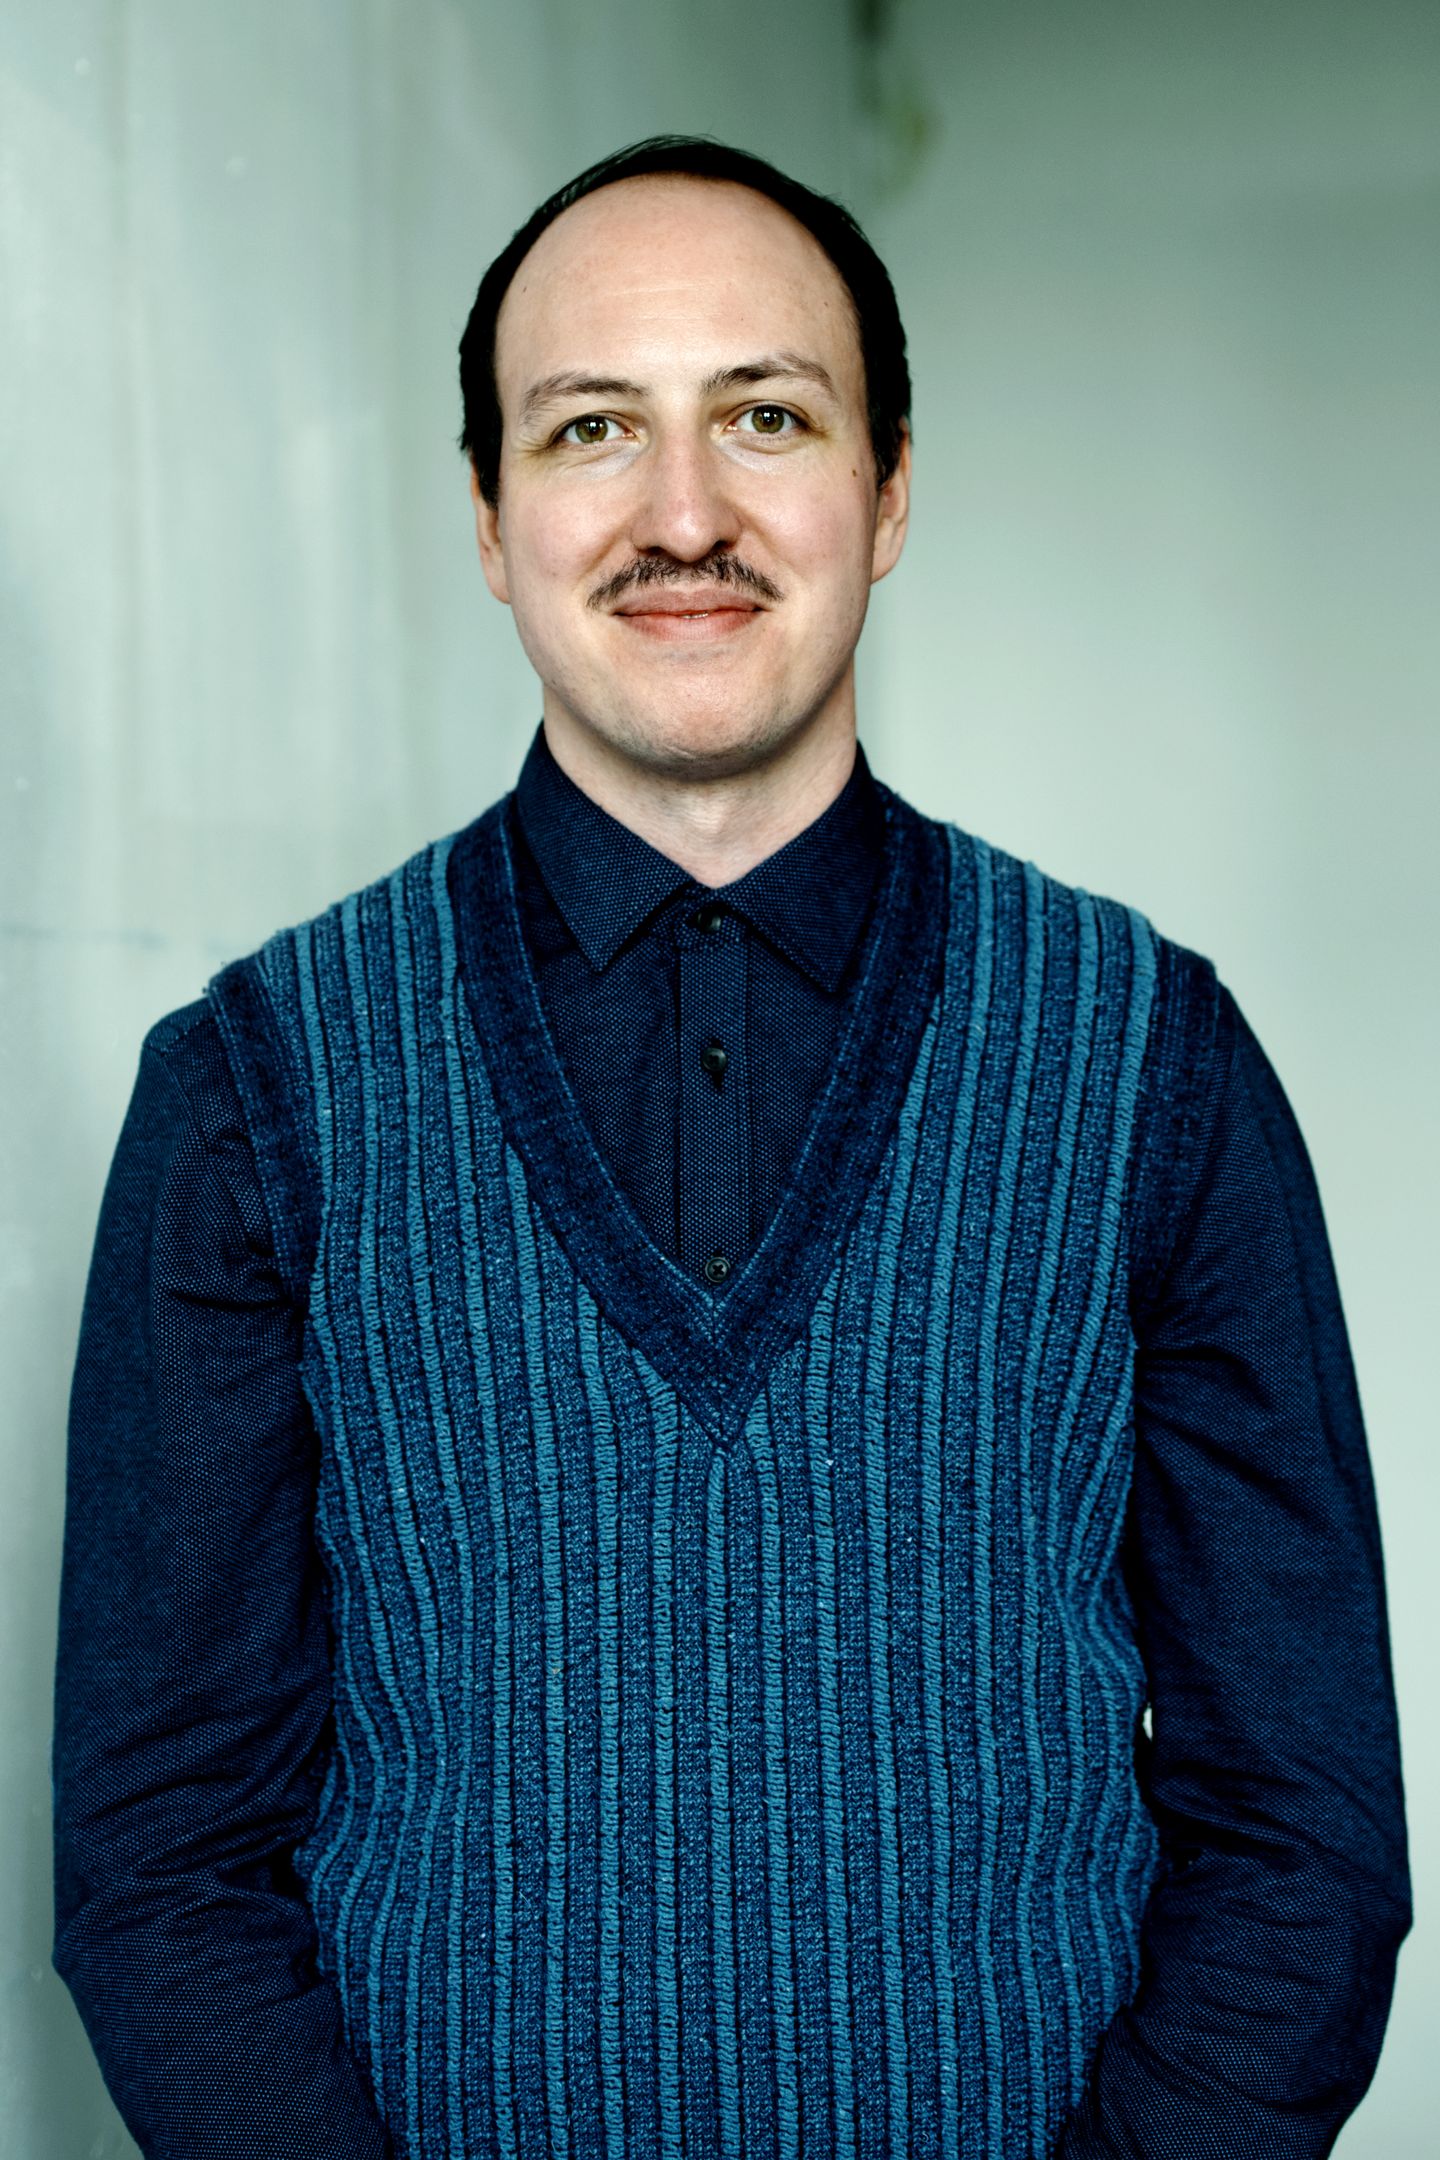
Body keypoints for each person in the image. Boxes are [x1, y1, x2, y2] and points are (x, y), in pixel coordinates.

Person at [54, 136, 1409, 2160]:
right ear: (490, 521)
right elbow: (162, 1860)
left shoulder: (1152, 1060)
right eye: (592, 427)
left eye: (765, 416)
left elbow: (1304, 1831)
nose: (683, 514)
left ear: (891, 490)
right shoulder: (259, 1088)